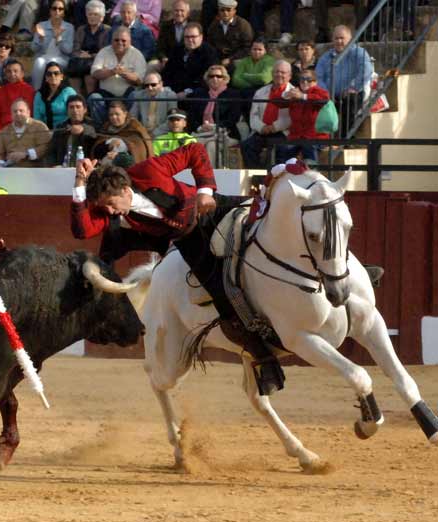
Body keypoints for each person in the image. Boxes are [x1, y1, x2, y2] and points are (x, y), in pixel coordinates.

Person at [71, 146, 286, 395]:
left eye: (110, 204)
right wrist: (78, 180)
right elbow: (82, 230)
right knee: (220, 292)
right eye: (103, 207)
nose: (109, 211)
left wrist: (205, 191)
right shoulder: (111, 211)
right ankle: (264, 360)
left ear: (125, 190)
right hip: (189, 241)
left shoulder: (149, 171)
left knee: (266, 223)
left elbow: (195, 151)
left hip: (212, 211)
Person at [315, 25, 373, 137]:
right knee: (314, 102)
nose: (339, 41)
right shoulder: (326, 57)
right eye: (336, 38)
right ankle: (320, 142)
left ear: (350, 39)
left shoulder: (359, 53)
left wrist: (353, 87)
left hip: (354, 92)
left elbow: (366, 71)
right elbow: (318, 77)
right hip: (330, 95)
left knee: (349, 103)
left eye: (342, 38)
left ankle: (346, 139)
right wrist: (326, 93)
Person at [87, 27, 147, 126]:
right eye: (116, 40)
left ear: (130, 41)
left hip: (127, 96)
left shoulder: (137, 55)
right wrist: (112, 72)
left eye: (123, 40)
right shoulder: (103, 52)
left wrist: (124, 73)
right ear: (111, 40)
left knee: (137, 95)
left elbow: (140, 80)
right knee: (94, 97)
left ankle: (130, 127)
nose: (120, 43)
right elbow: (95, 73)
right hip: (107, 96)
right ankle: (102, 128)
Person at [241, 59, 293, 168]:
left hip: (282, 132)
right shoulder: (260, 92)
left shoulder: (293, 93)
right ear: (272, 74)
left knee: (276, 150)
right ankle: (256, 177)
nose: (279, 74)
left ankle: (273, 180)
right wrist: (262, 127)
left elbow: (292, 116)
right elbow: (253, 115)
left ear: (289, 75)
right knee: (247, 146)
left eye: (283, 72)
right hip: (262, 131)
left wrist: (274, 127)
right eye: (276, 72)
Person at [189, 64, 242, 167]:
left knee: (212, 145)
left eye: (218, 76)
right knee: (194, 145)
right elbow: (192, 116)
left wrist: (214, 127)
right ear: (207, 79)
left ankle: (210, 177)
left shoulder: (232, 95)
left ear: (225, 79)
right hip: (202, 132)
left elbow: (233, 118)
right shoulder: (200, 94)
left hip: (225, 133)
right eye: (211, 76)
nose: (215, 79)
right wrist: (200, 127)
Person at [276, 69, 331, 164]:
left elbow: (324, 99)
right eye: (302, 79)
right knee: (282, 150)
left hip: (315, 137)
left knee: (308, 148)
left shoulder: (318, 91)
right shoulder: (296, 93)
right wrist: (286, 95)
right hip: (296, 136)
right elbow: (277, 103)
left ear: (315, 82)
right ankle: (283, 174)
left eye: (309, 79)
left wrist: (303, 96)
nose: (305, 82)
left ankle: (312, 173)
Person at [162, 22, 219, 110]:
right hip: (174, 90)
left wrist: (186, 92)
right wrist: (168, 89)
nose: (190, 40)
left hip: (196, 91)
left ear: (201, 37)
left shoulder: (209, 53)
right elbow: (167, 72)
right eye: (187, 37)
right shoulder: (177, 50)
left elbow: (206, 79)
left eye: (193, 37)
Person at [30, 0, 75, 90]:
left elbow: (68, 50)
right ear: (50, 10)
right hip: (43, 57)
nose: (57, 11)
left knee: (52, 61)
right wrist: (41, 39)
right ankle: (36, 92)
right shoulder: (41, 25)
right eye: (54, 8)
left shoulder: (69, 27)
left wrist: (59, 39)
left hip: (61, 59)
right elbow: (33, 48)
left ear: (64, 12)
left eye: (60, 9)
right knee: (39, 62)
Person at [0, 98, 51, 168]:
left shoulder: (39, 126)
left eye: (21, 111)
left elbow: (46, 147)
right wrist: (0, 163)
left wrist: (26, 154)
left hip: (35, 169)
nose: (18, 113)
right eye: (15, 111)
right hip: (11, 170)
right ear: (11, 114)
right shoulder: (6, 130)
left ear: (28, 112)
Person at [69, 0, 110, 95]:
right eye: (90, 14)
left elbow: (106, 50)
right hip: (81, 60)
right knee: (73, 73)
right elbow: (75, 48)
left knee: (89, 74)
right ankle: (77, 100)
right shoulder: (81, 30)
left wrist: (92, 56)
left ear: (102, 17)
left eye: (95, 14)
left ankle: (90, 101)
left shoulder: (107, 30)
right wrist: (80, 54)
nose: (92, 17)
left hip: (98, 61)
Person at [230, 38, 274, 123]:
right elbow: (235, 79)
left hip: (263, 90)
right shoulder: (245, 61)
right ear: (250, 50)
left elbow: (264, 79)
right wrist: (252, 83)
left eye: (260, 49)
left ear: (265, 51)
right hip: (246, 90)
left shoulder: (269, 60)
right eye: (254, 49)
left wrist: (245, 75)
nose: (256, 52)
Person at [0, 60, 35, 135]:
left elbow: (32, 113)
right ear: (5, 74)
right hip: (3, 132)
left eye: (15, 71)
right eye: (9, 71)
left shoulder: (30, 91)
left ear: (22, 73)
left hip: (25, 131)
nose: (12, 74)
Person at [48, 94, 97, 166]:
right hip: (63, 168)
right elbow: (52, 150)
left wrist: (83, 128)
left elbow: (95, 135)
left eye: (78, 107)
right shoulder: (61, 127)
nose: (75, 110)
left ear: (85, 110)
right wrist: (53, 166)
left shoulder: (94, 125)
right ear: (67, 111)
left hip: (86, 168)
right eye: (71, 107)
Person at [206, 0, 253, 70]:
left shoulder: (243, 25)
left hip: (237, 57)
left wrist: (230, 59)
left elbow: (247, 47)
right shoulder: (214, 25)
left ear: (234, 11)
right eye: (222, 10)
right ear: (218, 11)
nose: (225, 13)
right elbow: (210, 44)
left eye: (228, 10)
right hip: (219, 57)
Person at [128, 71, 177, 138]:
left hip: (163, 134)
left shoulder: (170, 95)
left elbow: (171, 119)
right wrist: (141, 131)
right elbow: (132, 117)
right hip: (144, 134)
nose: (150, 88)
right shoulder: (140, 95)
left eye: (153, 85)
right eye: (147, 85)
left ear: (161, 84)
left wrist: (153, 134)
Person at [33, 61, 77, 130]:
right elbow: (37, 118)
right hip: (44, 132)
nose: (53, 76)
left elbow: (75, 114)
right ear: (46, 78)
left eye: (56, 73)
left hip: (65, 130)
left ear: (61, 77)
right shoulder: (39, 95)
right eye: (49, 74)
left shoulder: (69, 92)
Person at [156, 0, 191, 70]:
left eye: (182, 11)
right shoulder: (165, 26)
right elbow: (160, 47)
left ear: (188, 13)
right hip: (168, 60)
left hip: (189, 61)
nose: (179, 13)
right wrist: (163, 58)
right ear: (172, 12)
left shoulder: (194, 26)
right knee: (152, 66)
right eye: (176, 10)